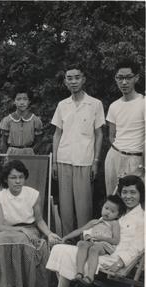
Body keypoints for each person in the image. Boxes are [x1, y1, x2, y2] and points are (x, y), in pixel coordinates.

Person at [28, 175, 144, 287]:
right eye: (125, 192)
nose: (128, 196)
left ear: (141, 194)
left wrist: (121, 262)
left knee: (66, 253)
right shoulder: (119, 211)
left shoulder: (142, 218)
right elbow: (99, 227)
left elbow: (139, 247)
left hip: (113, 257)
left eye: (133, 192)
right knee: (59, 248)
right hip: (98, 248)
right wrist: (88, 235)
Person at [0, 160, 61, 287]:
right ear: (5, 179)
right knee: (1, 240)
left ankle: (22, 283)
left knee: (23, 241)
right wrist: (20, 229)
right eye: (13, 178)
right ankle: (2, 283)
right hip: (7, 230)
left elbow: (39, 220)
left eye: (21, 177)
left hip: (30, 229)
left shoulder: (33, 194)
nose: (18, 181)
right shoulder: (0, 197)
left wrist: (49, 234)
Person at [52, 63, 105, 235]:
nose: (73, 81)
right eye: (69, 78)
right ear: (65, 82)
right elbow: (57, 134)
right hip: (64, 159)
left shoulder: (95, 104)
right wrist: (54, 162)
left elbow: (99, 135)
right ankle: (66, 239)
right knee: (65, 206)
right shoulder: (62, 105)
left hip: (84, 160)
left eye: (77, 77)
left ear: (83, 80)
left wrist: (96, 162)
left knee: (84, 206)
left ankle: (85, 238)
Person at [62, 195, 126, 285]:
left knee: (94, 249)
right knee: (82, 243)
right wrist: (66, 237)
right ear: (102, 206)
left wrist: (102, 238)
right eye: (106, 208)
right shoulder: (94, 222)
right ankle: (79, 272)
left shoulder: (114, 223)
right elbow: (80, 230)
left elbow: (116, 240)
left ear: (118, 215)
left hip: (105, 245)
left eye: (112, 211)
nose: (108, 212)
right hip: (93, 242)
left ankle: (90, 277)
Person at [105, 59, 145, 195]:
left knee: (133, 203)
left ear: (136, 78)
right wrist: (119, 154)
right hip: (114, 157)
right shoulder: (114, 106)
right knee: (113, 201)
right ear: (115, 79)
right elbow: (111, 136)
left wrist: (142, 165)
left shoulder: (143, 102)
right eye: (120, 78)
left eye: (128, 77)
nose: (124, 82)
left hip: (136, 160)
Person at [0, 87, 43, 155]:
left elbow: (39, 142)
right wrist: (5, 156)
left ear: (29, 101)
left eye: (25, 99)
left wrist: (31, 151)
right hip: (12, 153)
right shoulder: (7, 120)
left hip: (29, 153)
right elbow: (3, 142)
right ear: (14, 101)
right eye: (18, 99)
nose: (22, 102)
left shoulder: (35, 120)